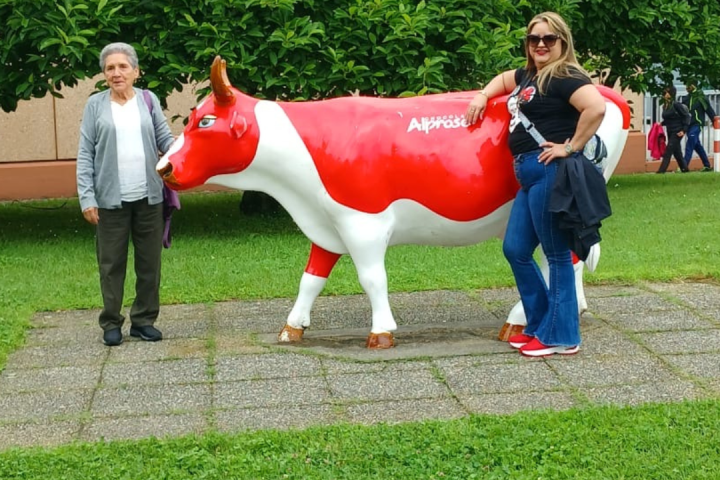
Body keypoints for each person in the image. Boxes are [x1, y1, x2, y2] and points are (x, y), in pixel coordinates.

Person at [465, 12, 606, 357]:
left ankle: (562, 336)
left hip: (549, 172)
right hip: (528, 175)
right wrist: (482, 95)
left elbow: (596, 107)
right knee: (515, 249)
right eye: (533, 39)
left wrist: (569, 146)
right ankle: (542, 323)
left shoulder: (565, 75)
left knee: (557, 256)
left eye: (548, 39)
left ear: (562, 42)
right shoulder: (529, 74)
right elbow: (502, 79)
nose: (540, 44)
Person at [76, 42, 175, 346]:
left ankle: (144, 321)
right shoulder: (95, 105)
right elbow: (85, 154)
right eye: (110, 68)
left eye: (123, 67)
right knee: (111, 265)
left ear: (135, 71)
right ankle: (111, 322)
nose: (116, 73)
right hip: (109, 201)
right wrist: (87, 197)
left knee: (149, 264)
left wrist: (183, 160)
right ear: (104, 74)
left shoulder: (148, 99)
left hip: (149, 199)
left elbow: (165, 138)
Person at [682, 83, 716, 171]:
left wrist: (714, 120)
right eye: (686, 85)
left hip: (697, 124)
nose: (687, 87)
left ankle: (684, 166)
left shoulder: (701, 98)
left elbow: (709, 110)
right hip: (688, 125)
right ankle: (707, 165)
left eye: (689, 85)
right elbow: (682, 112)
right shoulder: (685, 98)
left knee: (690, 143)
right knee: (697, 145)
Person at [656, 86, 690, 173]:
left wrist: (684, 130)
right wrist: (661, 123)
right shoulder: (665, 106)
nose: (663, 95)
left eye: (665, 93)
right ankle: (685, 169)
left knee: (668, 151)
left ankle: (661, 171)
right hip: (670, 130)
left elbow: (686, 116)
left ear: (670, 94)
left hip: (677, 131)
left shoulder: (676, 105)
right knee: (677, 152)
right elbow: (669, 118)